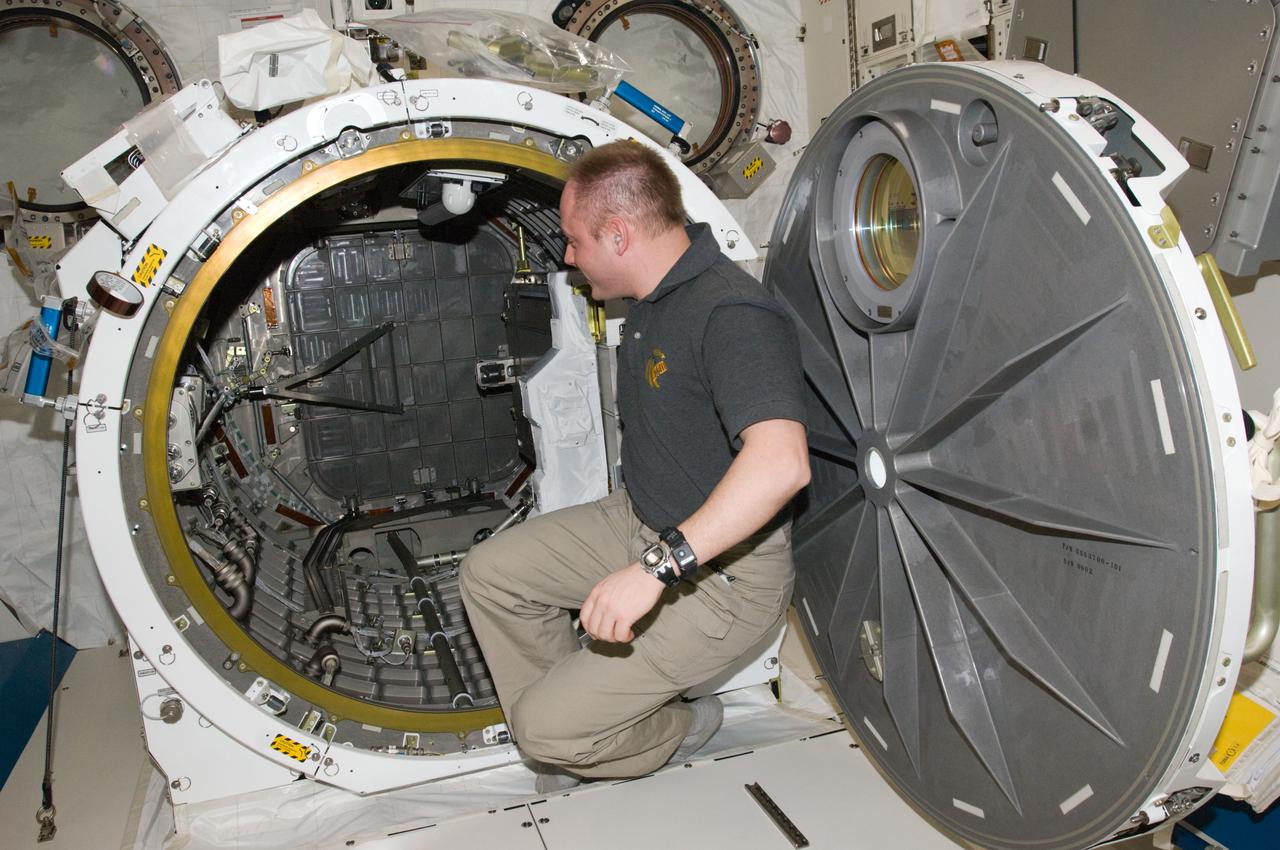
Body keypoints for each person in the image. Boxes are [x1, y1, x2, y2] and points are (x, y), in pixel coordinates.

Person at [458, 140, 809, 792]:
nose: (567, 256)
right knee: (490, 576)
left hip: (722, 579)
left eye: (573, 240)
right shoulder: (654, 299)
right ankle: (588, 727)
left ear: (617, 235)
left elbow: (782, 463)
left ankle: (670, 728)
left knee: (540, 733)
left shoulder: (732, 313)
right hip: (642, 518)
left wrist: (655, 569)